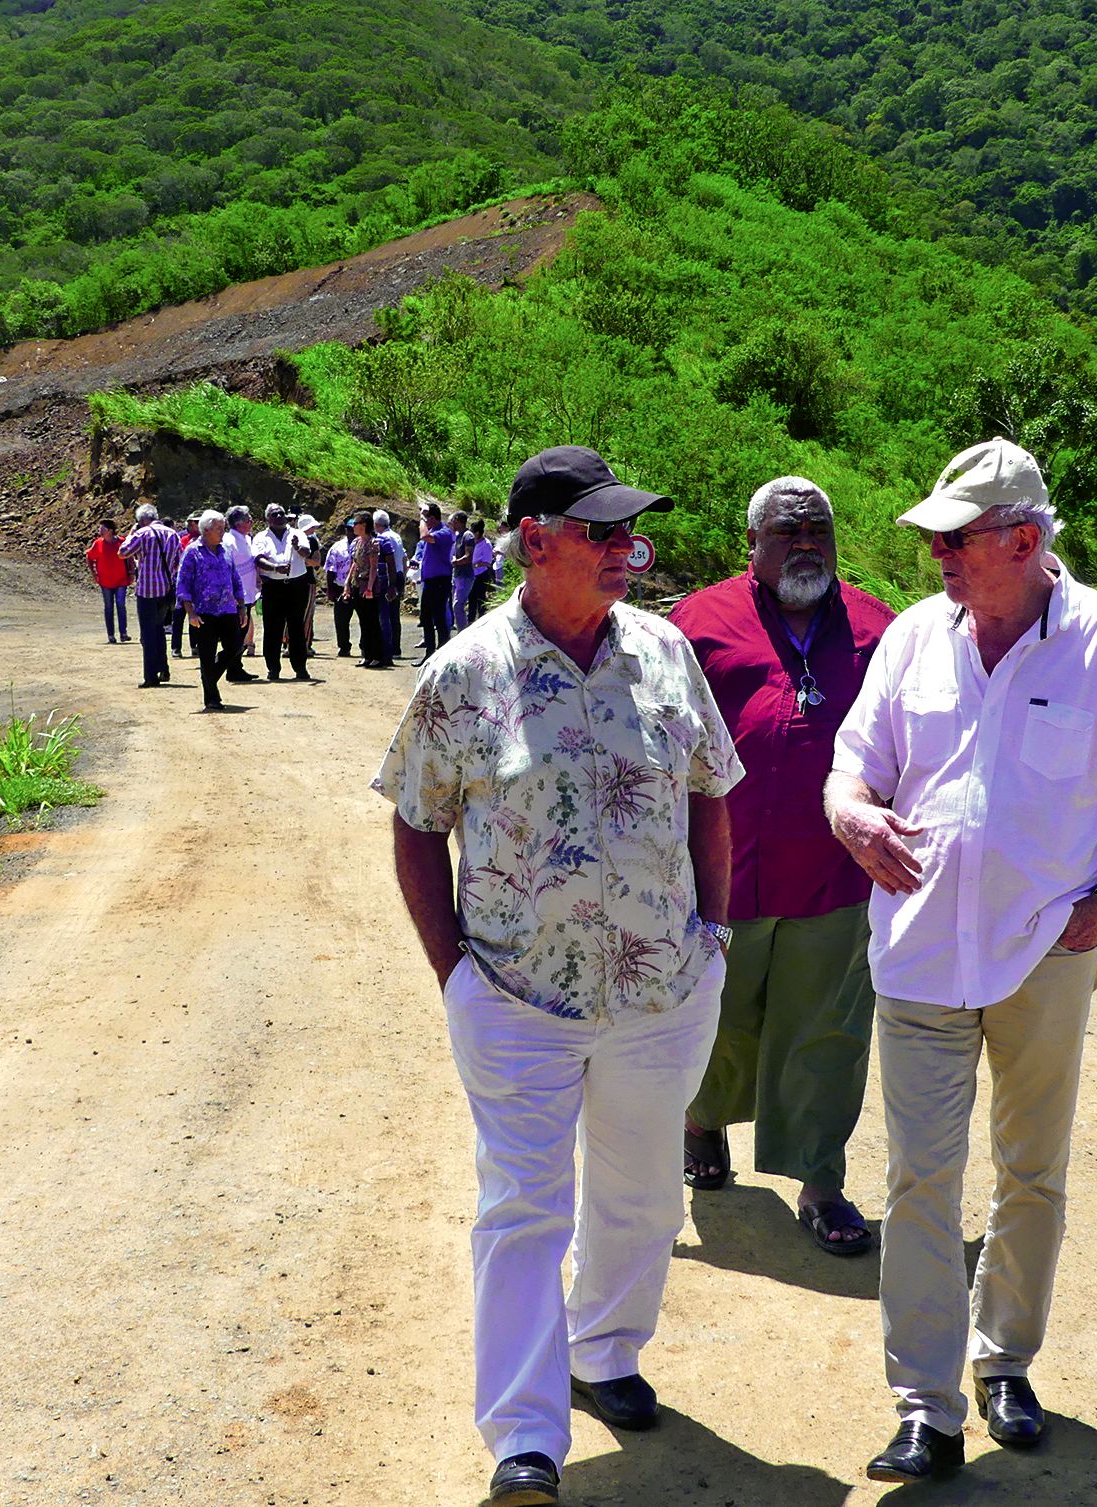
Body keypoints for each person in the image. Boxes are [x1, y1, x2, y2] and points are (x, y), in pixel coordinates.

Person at [376, 444, 742, 1507]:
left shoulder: (666, 654)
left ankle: (606, 1352)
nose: (624, 547)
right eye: (599, 530)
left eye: (629, 529)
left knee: (636, 1196)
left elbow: (712, 789)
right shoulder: (462, 674)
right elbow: (414, 828)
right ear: (533, 542)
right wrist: (455, 975)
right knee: (523, 1207)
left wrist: (712, 931)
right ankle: (525, 1436)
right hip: (516, 998)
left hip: (660, 992)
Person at [823, 438, 1097, 1482]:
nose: (935, 555)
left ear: (1023, 540)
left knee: (1031, 1171)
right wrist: (852, 818)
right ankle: (924, 1406)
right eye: (933, 538)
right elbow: (853, 771)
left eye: (955, 538)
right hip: (918, 950)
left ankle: (1005, 1363)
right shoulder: (909, 641)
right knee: (918, 1178)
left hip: (1044, 953)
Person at [669, 476, 896, 1255]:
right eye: (787, 531)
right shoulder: (698, 621)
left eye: (818, 531)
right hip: (721, 866)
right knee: (717, 1016)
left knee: (824, 1028)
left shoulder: (880, 631)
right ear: (752, 546)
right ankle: (700, 1121)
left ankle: (819, 1178)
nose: (806, 544)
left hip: (835, 873)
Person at [174, 509, 246, 711]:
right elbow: (183, 583)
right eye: (218, 528)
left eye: (223, 528)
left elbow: (235, 579)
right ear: (206, 531)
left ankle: (211, 675)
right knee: (206, 654)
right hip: (204, 612)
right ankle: (212, 698)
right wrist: (190, 612)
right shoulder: (192, 551)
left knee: (234, 646)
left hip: (227, 608)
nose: (222, 532)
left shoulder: (225, 550)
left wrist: (241, 607)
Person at [120, 503, 183, 688]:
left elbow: (122, 552)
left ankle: (150, 676)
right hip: (165, 590)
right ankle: (163, 668)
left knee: (147, 634)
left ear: (142, 520)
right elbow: (179, 561)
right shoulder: (172, 534)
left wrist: (132, 533)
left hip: (147, 591)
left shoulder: (142, 534)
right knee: (159, 631)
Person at [254, 503, 316, 682]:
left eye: (282, 513)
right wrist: (275, 568)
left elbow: (306, 552)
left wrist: (297, 547)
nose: (280, 517)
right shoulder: (261, 537)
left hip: (297, 585)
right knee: (273, 628)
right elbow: (258, 559)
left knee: (296, 627)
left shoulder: (297, 534)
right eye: (275, 514)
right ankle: (273, 668)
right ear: (268, 519)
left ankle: (300, 668)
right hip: (273, 586)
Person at [346, 512, 395, 669]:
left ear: (364, 525)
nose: (354, 527)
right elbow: (354, 563)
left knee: (372, 621)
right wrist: (347, 582)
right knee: (363, 621)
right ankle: (366, 654)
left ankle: (376, 655)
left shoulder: (373, 543)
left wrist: (369, 588)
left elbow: (374, 566)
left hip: (368, 584)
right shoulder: (357, 542)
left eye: (356, 523)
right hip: (357, 583)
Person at [222, 506, 261, 682]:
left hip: (247, 593)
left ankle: (236, 667)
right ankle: (230, 666)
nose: (251, 523)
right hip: (237, 595)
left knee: (241, 632)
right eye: (248, 520)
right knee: (236, 634)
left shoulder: (245, 539)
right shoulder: (229, 541)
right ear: (238, 524)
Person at [415, 502, 455, 661]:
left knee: (438, 617)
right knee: (426, 617)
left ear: (431, 518)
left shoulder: (444, 532)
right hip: (430, 581)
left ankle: (442, 653)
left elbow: (425, 536)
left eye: (426, 518)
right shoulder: (434, 531)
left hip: (440, 581)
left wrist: (421, 518)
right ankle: (430, 653)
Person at [84, 520, 131, 644]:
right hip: (105, 582)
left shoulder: (121, 542)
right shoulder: (97, 544)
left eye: (102, 529)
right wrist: (94, 574)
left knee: (121, 605)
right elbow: (89, 557)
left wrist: (131, 573)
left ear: (110, 530)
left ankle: (123, 633)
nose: (100, 531)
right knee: (108, 607)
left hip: (121, 580)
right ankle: (111, 635)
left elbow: (129, 557)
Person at [375, 508, 407, 659]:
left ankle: (390, 648)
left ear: (376, 524)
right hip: (399, 574)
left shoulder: (384, 538)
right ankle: (396, 648)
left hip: (390, 576)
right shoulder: (396, 536)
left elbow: (390, 562)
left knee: (386, 614)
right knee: (394, 614)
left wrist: (391, 582)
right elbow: (404, 557)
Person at [171, 512, 203, 659]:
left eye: (194, 522)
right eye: (190, 523)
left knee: (195, 616)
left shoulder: (206, 541)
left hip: (198, 585)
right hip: (183, 583)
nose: (191, 525)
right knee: (178, 616)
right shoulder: (183, 540)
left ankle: (195, 645)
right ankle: (176, 647)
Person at [324, 526, 356, 657]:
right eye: (349, 529)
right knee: (341, 620)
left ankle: (365, 647)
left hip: (359, 586)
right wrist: (330, 589)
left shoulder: (366, 545)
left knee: (366, 619)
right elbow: (330, 569)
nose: (352, 532)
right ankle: (344, 646)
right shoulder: (337, 548)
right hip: (341, 587)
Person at [297, 512, 323, 661]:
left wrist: (301, 560)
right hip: (294, 580)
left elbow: (317, 561)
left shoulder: (313, 541)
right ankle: (289, 644)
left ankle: (305, 645)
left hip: (307, 580)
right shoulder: (293, 539)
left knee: (307, 614)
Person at [465, 521, 496, 628]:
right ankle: (470, 620)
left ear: (477, 533)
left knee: (480, 598)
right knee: (471, 597)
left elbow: (487, 562)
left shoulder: (486, 544)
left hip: (481, 574)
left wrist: (475, 565)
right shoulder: (471, 543)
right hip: (471, 574)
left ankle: (482, 621)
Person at [449, 510, 476, 632]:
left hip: (465, 576)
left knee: (458, 605)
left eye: (453, 520)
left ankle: (463, 633)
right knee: (456, 605)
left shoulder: (467, 536)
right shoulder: (458, 536)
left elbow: (468, 557)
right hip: (457, 575)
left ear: (458, 521)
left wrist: (456, 562)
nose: (451, 523)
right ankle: (462, 630)